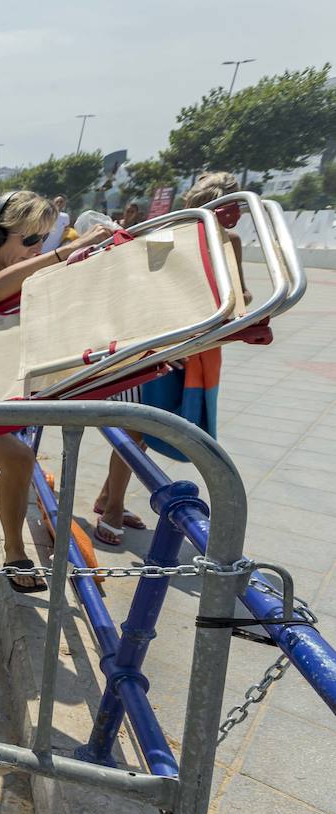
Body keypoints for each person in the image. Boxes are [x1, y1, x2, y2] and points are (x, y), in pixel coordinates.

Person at [0, 191, 112, 596]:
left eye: (43, 240)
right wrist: (64, 254)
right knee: (19, 457)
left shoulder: (12, 274)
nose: (36, 249)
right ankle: (15, 555)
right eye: (29, 240)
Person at [93, 172, 250, 544]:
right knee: (135, 428)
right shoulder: (165, 234)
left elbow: (240, 294)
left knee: (150, 428)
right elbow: (144, 292)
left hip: (196, 347)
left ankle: (106, 498)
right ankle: (113, 507)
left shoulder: (230, 241)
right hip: (156, 345)